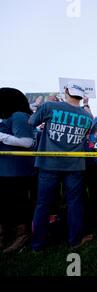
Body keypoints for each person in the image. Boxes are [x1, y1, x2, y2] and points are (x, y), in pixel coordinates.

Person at [29, 82, 93, 251]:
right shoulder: (88, 117)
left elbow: (31, 122)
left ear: (66, 91)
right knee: (74, 203)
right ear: (81, 96)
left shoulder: (50, 106)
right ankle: (74, 240)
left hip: (49, 163)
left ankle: (37, 244)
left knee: (43, 204)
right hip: (74, 165)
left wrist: (38, 106)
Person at [0, 88, 35, 253]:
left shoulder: (19, 116)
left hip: (16, 170)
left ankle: (23, 234)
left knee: (16, 203)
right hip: (5, 169)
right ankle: (6, 234)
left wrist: (0, 136)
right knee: (5, 204)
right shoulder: (7, 117)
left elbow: (27, 142)